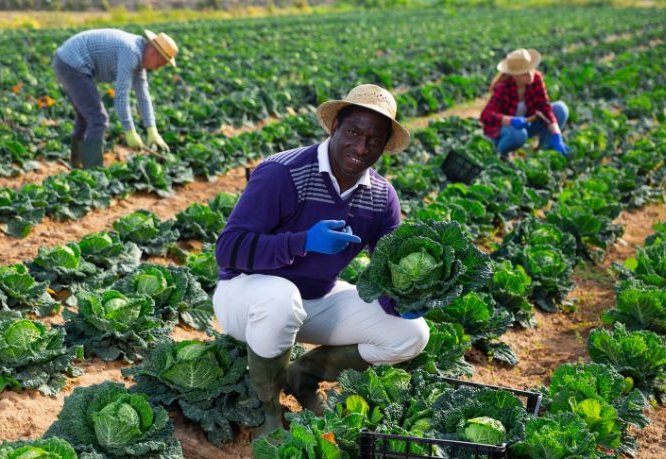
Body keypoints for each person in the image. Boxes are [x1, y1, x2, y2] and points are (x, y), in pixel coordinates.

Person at [213, 84, 430, 437]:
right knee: (280, 298)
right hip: (246, 296)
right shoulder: (283, 173)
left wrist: (403, 299)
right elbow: (228, 249)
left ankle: (303, 375)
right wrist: (303, 242)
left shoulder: (381, 197)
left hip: (316, 298)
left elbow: (386, 269)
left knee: (412, 334)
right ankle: (268, 411)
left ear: (384, 147)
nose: (361, 147)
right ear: (335, 127)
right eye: (354, 132)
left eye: (374, 140)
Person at [53, 28, 178, 169]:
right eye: (159, 64)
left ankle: (77, 165)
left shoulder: (139, 56)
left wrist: (152, 130)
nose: (156, 69)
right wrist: (129, 131)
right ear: (153, 54)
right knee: (98, 119)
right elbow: (121, 96)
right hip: (71, 63)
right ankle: (92, 169)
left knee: (85, 117)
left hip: (67, 60)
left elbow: (143, 95)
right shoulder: (131, 52)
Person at [480, 48, 569, 157]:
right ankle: (500, 155)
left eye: (531, 69)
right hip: (505, 131)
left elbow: (545, 107)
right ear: (514, 75)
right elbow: (486, 115)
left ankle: (544, 151)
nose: (530, 74)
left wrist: (557, 134)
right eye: (524, 73)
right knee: (518, 135)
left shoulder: (536, 79)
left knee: (560, 109)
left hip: (527, 125)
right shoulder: (503, 88)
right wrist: (511, 121)